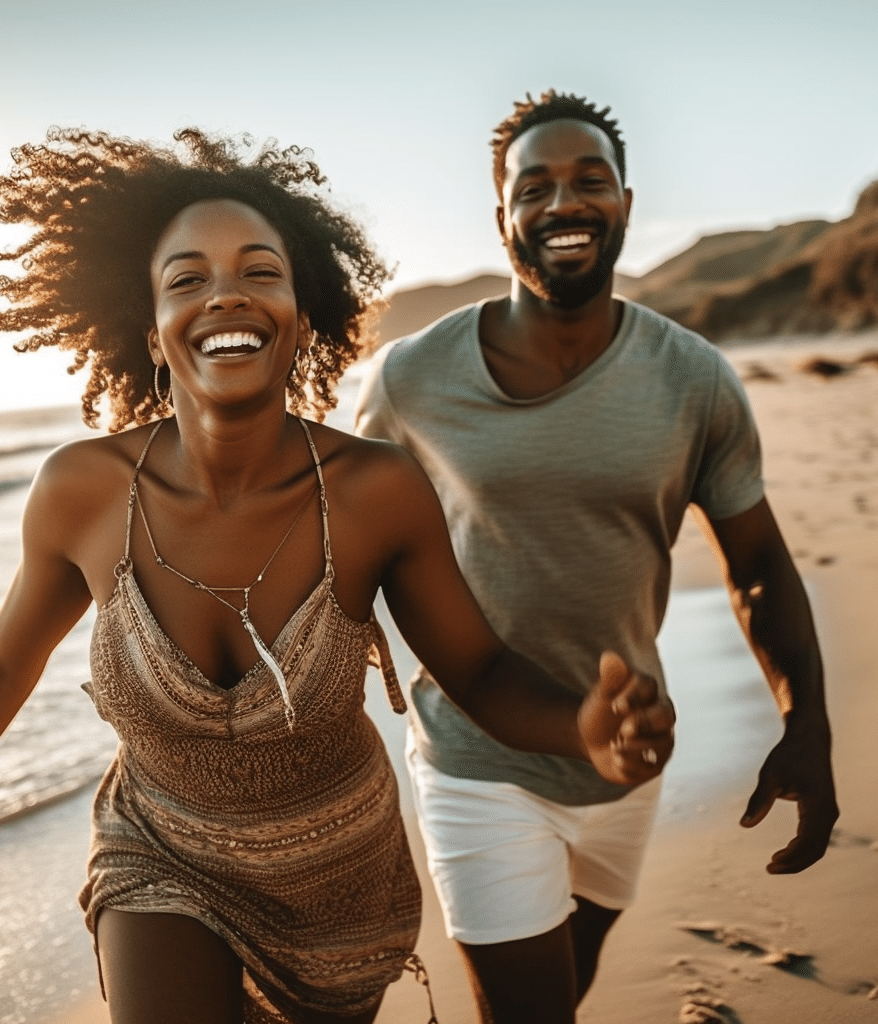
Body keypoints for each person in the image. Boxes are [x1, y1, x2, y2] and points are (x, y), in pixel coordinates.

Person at [0, 127, 674, 1024]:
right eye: (187, 280)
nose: (225, 297)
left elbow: (476, 670)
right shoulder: (81, 493)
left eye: (260, 271)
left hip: (339, 885)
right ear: (151, 332)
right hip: (158, 850)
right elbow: (0, 667)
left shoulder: (375, 492)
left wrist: (583, 728)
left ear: (303, 310)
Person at [355, 90, 839, 1024]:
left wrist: (805, 721)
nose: (562, 203)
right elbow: (351, 548)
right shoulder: (411, 379)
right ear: (502, 217)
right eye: (532, 186)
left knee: (563, 988)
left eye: (588, 181)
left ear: (623, 200)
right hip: (472, 757)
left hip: (628, 751)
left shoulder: (693, 378)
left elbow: (760, 565)